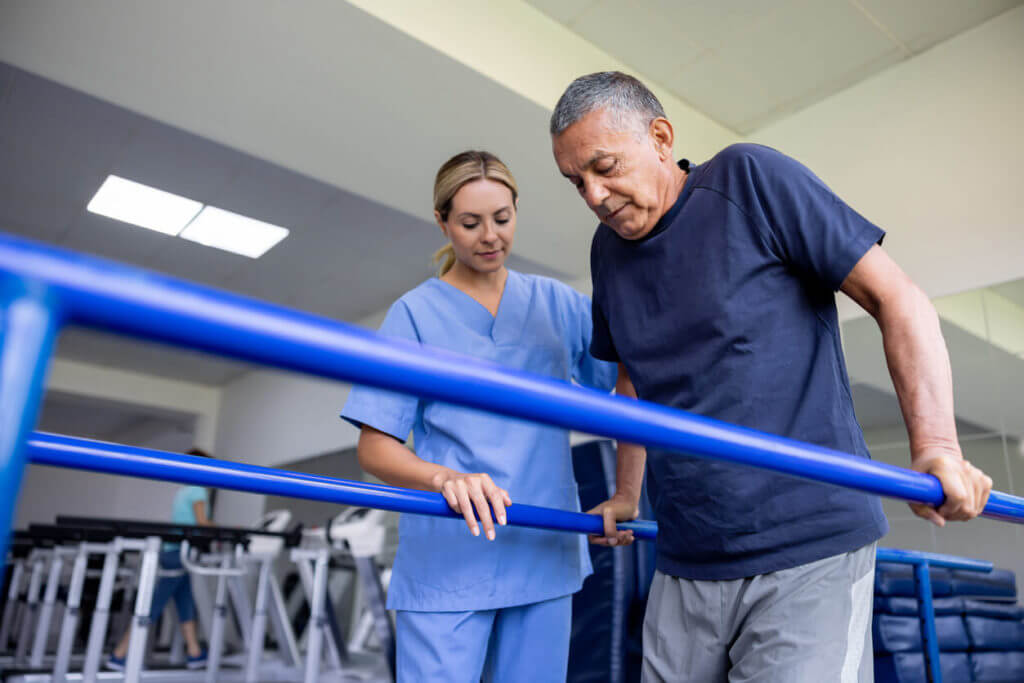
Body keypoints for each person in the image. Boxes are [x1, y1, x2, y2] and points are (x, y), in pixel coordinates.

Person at [549, 72, 994, 682]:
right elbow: (632, 378)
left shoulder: (748, 180)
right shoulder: (607, 252)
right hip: (687, 557)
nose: (595, 195)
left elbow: (900, 299)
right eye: (577, 182)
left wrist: (938, 448)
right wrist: (629, 495)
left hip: (807, 547)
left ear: (659, 137)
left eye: (605, 167)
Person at [340, 150, 623, 682]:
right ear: (443, 223)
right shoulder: (414, 315)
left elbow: (626, 381)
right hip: (450, 557)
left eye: (502, 218)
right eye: (470, 223)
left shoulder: (556, 304)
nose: (489, 236)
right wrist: (444, 477)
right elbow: (375, 446)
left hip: (542, 547)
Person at [106, 448, 212, 671]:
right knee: (154, 603)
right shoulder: (199, 490)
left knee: (185, 601)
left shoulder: (183, 491)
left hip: (174, 551)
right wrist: (229, 529)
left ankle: (194, 652)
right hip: (179, 553)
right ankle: (120, 653)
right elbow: (201, 523)